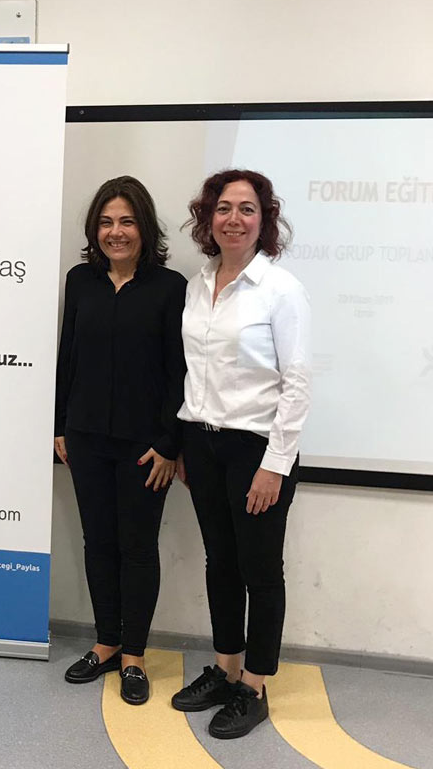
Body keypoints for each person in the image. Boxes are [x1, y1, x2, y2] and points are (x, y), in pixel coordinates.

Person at [170, 169, 311, 738]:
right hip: (202, 445)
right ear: (208, 218)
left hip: (256, 450)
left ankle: (254, 686)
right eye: (224, 208)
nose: (234, 219)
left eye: (247, 209)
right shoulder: (198, 283)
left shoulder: (281, 289)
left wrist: (275, 465)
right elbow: (194, 370)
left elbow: (297, 383)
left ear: (263, 220)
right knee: (220, 563)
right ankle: (226, 669)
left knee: (260, 571)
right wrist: (187, 441)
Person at [55, 176, 186, 705]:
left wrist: (170, 443)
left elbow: (180, 373)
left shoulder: (170, 287)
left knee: (137, 548)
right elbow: (68, 355)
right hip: (86, 438)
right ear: (95, 229)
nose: (116, 232)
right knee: (98, 544)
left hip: (145, 447)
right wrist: (60, 426)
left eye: (127, 221)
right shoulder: (80, 280)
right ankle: (106, 643)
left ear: (144, 227)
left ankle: (134, 656)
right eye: (106, 222)